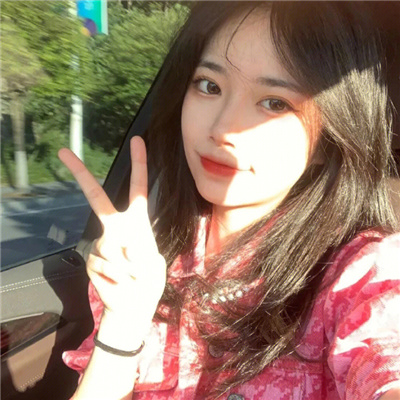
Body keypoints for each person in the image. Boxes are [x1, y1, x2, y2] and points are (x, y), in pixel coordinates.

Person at [59, 2, 400, 399]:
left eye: (275, 103)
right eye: (209, 85)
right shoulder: (149, 258)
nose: (223, 129)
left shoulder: (360, 272)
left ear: (329, 138)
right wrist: (123, 324)